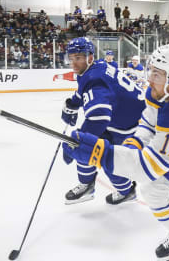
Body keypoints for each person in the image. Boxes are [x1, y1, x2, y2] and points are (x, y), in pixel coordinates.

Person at [62, 44, 169, 261]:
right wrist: (132, 146)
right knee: (153, 189)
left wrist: (99, 153)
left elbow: (148, 168)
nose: (150, 79)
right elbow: (148, 124)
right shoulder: (164, 92)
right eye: (151, 70)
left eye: (157, 74)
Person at [61, 37, 145, 205]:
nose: (73, 63)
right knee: (85, 144)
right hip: (121, 117)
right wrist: (73, 103)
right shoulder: (94, 68)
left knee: (109, 158)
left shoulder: (95, 79)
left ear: (89, 57)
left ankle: (126, 191)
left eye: (78, 58)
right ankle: (87, 184)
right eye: (71, 58)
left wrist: (79, 142)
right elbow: (83, 89)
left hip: (128, 126)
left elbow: (99, 118)